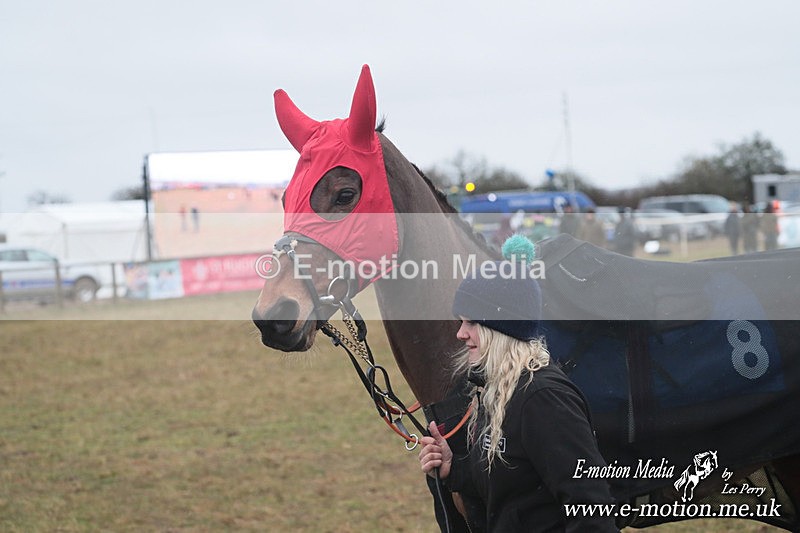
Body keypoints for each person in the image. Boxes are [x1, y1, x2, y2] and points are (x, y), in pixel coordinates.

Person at [419, 236, 618, 532]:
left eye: (471, 322)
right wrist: (454, 470)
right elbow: (511, 480)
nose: (460, 334)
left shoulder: (544, 398)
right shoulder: (497, 389)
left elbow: (591, 507)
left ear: (502, 327)